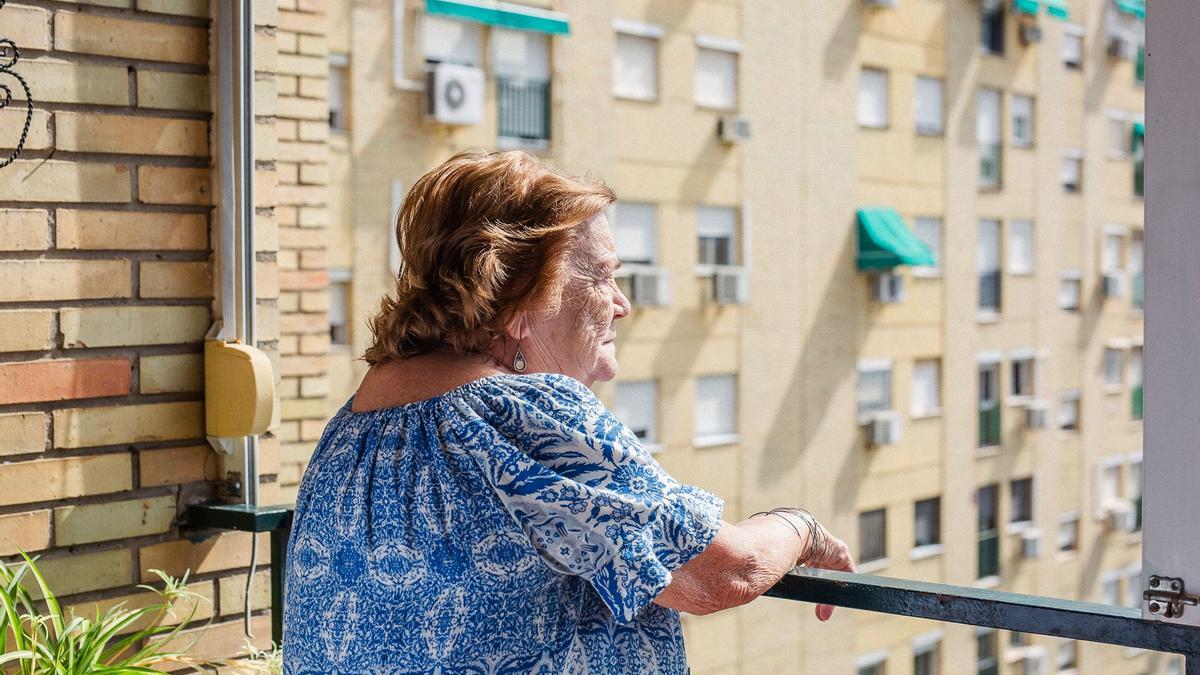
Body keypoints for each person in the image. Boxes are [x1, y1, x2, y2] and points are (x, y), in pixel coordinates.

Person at [282, 150, 856, 674]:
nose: (623, 305)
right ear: (521, 298)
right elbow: (719, 574)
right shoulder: (520, 414)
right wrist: (798, 526)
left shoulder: (353, 424)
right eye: (604, 276)